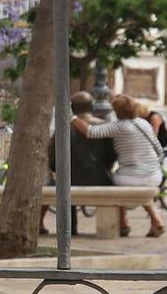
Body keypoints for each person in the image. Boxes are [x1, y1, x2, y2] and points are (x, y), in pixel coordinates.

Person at [71, 94, 166, 238]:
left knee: (114, 184)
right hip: (154, 176)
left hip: (130, 178)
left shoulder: (117, 127)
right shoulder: (144, 123)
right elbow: (159, 148)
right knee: (137, 186)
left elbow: (89, 131)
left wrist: (72, 117)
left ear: (117, 111)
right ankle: (155, 220)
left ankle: (123, 223)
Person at [48, 92, 117, 236]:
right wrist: (106, 168)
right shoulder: (104, 125)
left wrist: (57, 171)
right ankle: (117, 226)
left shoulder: (63, 127)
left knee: (65, 183)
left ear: (72, 107)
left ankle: (70, 228)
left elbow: (53, 157)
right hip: (101, 178)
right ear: (92, 106)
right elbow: (112, 154)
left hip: (69, 179)